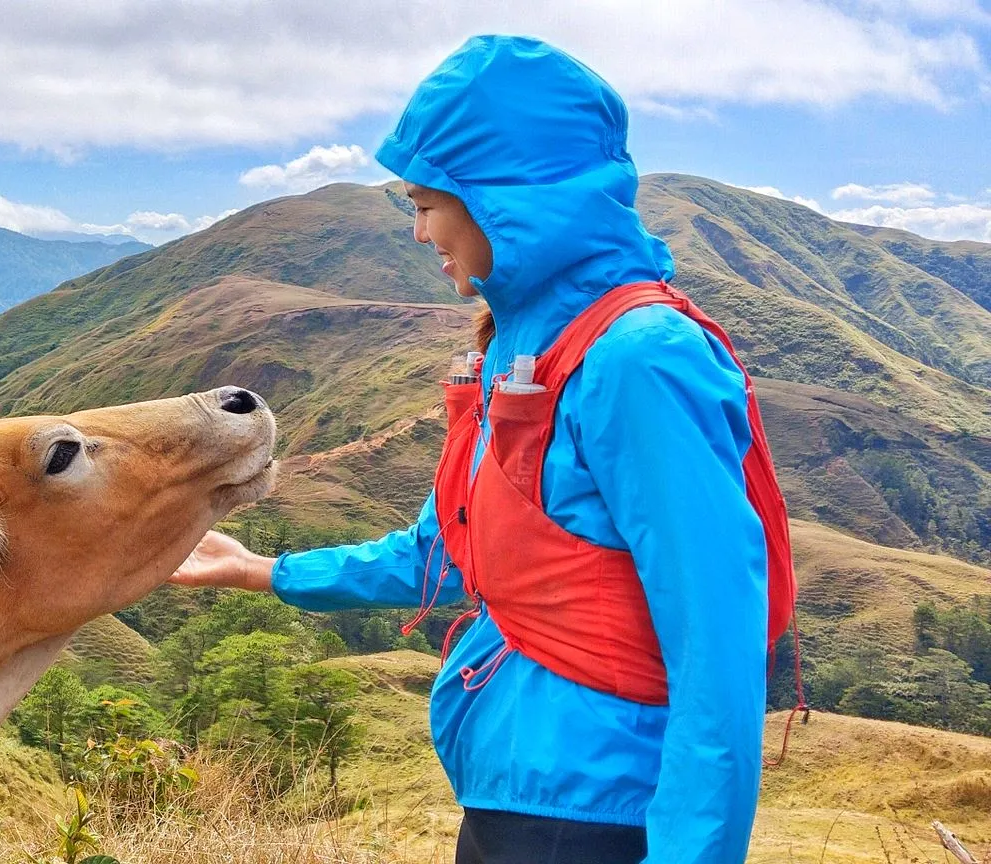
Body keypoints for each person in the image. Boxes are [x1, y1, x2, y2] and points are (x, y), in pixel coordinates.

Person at [172, 35, 791, 864]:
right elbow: (451, 555)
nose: (421, 231)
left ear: (509, 198)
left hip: (595, 815)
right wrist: (261, 571)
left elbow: (716, 638)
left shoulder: (639, 358)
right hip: (519, 796)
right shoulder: (524, 344)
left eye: (428, 204)